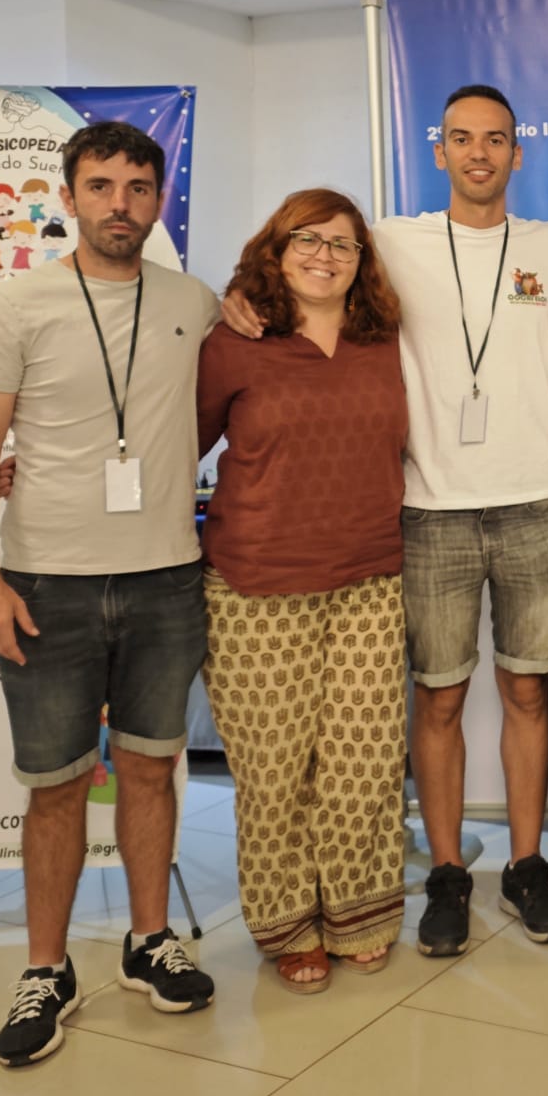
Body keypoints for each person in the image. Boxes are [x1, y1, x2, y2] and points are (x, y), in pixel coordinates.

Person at [223, 84, 548, 957]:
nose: (480, 153)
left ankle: (528, 866)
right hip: (429, 507)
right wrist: (244, 303)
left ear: (518, 154)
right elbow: (315, 280)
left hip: (536, 500)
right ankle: (447, 874)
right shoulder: (391, 241)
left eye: (496, 139)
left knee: (529, 687)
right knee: (439, 694)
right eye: (462, 139)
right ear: (439, 150)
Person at [0, 122, 216, 1067]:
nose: (122, 203)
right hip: (44, 582)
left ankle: (149, 941)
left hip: (165, 576)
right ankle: (45, 967)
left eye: (139, 186)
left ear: (160, 199)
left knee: (153, 767)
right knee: (57, 786)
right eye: (102, 185)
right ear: (69, 195)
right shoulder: (16, 303)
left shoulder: (193, 301)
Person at [198, 189, 408, 992]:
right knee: (274, 766)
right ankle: (287, 920)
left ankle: (359, 909)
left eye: (343, 245)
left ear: (364, 261)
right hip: (256, 583)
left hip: (370, 577)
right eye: (307, 241)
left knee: (362, 759)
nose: (325, 256)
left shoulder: (384, 335)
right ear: (275, 250)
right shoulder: (235, 339)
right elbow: (177, 437)